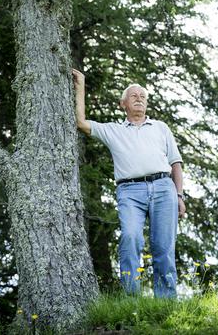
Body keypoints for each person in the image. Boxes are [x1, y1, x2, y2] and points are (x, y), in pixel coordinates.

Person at [71, 68, 186, 298]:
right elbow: (81, 123)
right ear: (123, 103)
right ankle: (131, 300)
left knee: (164, 247)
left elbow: (175, 164)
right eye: (134, 96)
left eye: (142, 96)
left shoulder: (161, 128)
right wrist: (80, 85)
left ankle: (165, 305)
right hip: (130, 191)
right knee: (131, 237)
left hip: (164, 188)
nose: (139, 99)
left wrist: (180, 196)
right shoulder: (113, 130)